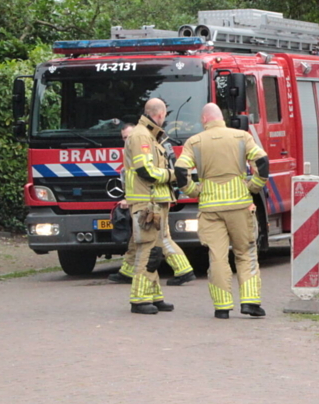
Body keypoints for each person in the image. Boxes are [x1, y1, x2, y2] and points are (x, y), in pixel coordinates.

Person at [175, 103, 269, 319]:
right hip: (239, 205)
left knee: (217, 256)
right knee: (245, 253)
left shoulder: (194, 141)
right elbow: (262, 162)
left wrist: (193, 190)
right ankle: (250, 302)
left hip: (209, 208)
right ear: (221, 118)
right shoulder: (241, 137)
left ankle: (222, 307)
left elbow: (180, 170)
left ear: (204, 119)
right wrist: (253, 185)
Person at [109, 122, 196, 287]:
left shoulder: (145, 148)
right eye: (124, 138)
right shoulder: (136, 149)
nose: (127, 141)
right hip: (145, 200)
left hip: (152, 200)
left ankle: (184, 270)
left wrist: (131, 199)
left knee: (162, 238)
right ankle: (127, 272)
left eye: (128, 137)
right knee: (137, 238)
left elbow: (148, 175)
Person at [124, 99, 180, 314]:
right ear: (160, 115)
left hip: (155, 202)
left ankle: (154, 296)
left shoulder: (149, 135)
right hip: (147, 203)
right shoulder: (141, 136)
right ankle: (139, 299)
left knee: (154, 251)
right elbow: (145, 171)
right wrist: (173, 175)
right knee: (147, 250)